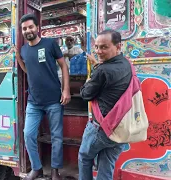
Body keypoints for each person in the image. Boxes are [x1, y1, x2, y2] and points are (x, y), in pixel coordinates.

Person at [15, 13, 71, 180]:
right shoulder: (24, 50)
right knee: (28, 134)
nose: (28, 30)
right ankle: (37, 168)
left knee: (56, 137)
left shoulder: (50, 44)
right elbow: (28, 71)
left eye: (30, 27)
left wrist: (66, 89)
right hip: (34, 102)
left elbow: (63, 65)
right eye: (24, 28)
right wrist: (18, 57)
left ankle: (55, 171)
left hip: (54, 99)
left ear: (37, 28)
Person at [79, 30, 131, 180]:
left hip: (102, 128)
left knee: (84, 156)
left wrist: (90, 77)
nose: (98, 51)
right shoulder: (126, 64)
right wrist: (96, 65)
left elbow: (85, 94)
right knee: (106, 164)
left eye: (104, 47)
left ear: (118, 46)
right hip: (122, 127)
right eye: (96, 47)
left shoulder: (103, 71)